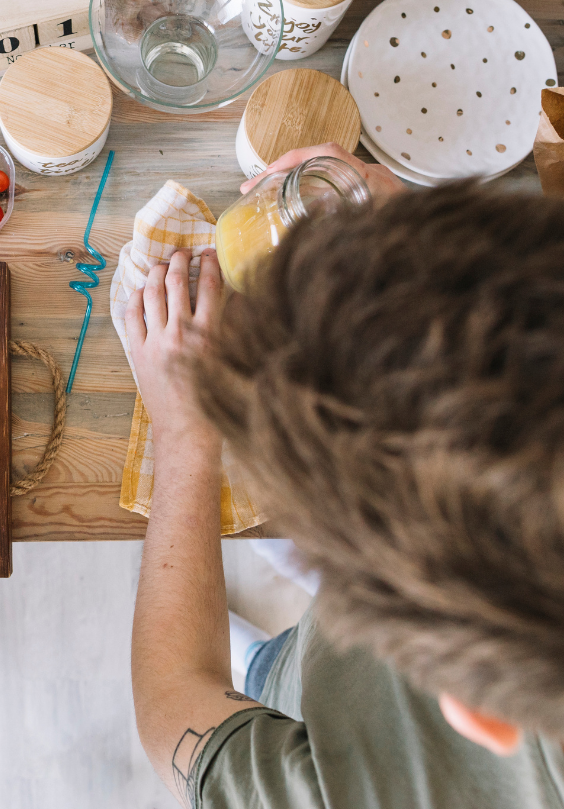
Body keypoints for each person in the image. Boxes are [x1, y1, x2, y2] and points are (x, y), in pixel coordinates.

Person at [128, 143, 564, 808]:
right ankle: (271, 661)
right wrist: (420, 244)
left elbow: (173, 703)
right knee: (293, 656)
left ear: (477, 718)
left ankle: (267, 669)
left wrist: (185, 434)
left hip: (320, 700)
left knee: (283, 677)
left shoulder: (369, 793)